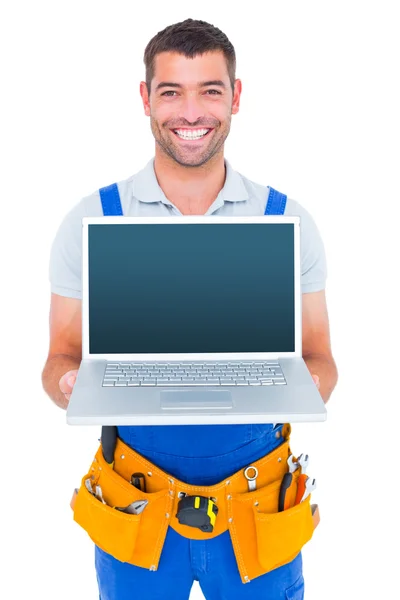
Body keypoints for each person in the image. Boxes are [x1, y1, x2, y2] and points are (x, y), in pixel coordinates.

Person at [42, 17, 338, 600]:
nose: (192, 112)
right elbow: (58, 359)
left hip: (259, 505)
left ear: (236, 97)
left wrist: (298, 388)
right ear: (146, 99)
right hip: (136, 503)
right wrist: (71, 385)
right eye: (172, 91)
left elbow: (322, 359)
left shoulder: (286, 222)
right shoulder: (92, 221)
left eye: (210, 89)